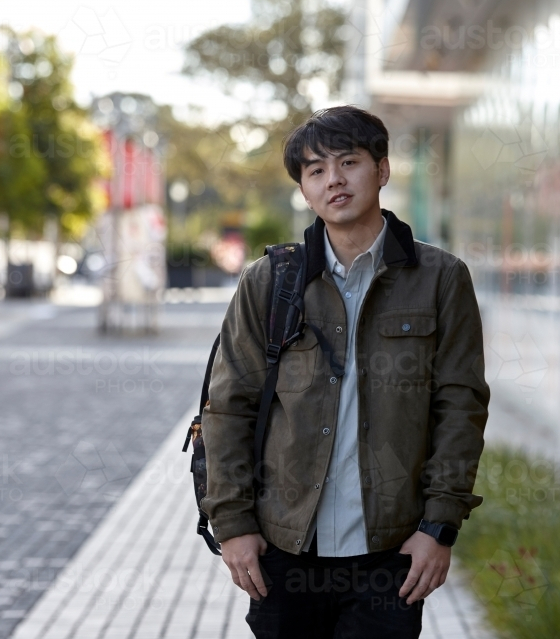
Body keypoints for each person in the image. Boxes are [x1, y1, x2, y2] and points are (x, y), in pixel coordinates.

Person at [201, 106, 490, 638]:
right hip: (284, 547)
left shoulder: (441, 278)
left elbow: (461, 406)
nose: (332, 179)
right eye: (315, 170)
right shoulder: (269, 281)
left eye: (348, 162)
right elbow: (227, 407)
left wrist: (439, 528)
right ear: (305, 190)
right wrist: (234, 524)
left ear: (382, 170)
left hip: (391, 552)